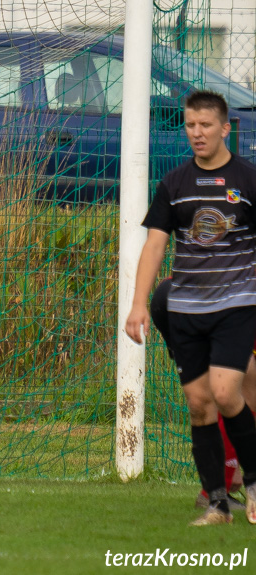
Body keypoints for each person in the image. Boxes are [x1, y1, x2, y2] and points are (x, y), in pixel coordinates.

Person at [125, 90, 256, 526]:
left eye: (205, 125)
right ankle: (218, 503)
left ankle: (253, 484)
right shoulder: (175, 183)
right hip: (185, 310)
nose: (196, 133)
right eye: (190, 125)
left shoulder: (249, 180)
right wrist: (138, 304)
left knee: (225, 393)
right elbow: (156, 245)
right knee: (200, 406)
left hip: (236, 306)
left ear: (224, 128)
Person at [149, 278, 256, 510]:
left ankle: (221, 486)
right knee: (238, 384)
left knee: (219, 391)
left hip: (175, 297)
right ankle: (220, 487)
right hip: (205, 303)